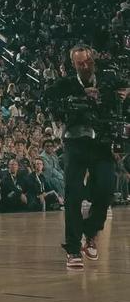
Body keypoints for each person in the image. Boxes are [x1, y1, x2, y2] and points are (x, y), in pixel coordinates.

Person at [43, 44, 129, 270]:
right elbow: (48, 99)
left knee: (106, 189)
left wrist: (126, 94)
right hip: (76, 142)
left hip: (102, 143)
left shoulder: (108, 80)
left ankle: (90, 233)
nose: (84, 65)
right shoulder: (65, 85)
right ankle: (73, 248)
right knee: (73, 193)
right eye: (79, 63)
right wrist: (80, 96)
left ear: (93, 60)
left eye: (87, 61)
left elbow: (124, 89)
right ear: (73, 65)